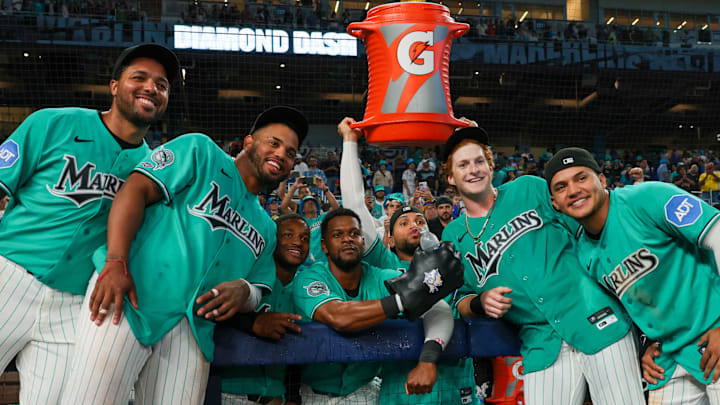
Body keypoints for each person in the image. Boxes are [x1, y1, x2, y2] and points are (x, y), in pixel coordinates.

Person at [61, 106, 308, 405]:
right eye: (274, 142)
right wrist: (115, 261)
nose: (282, 154)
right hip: (129, 298)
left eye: (291, 153)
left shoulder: (268, 228)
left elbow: (258, 291)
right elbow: (136, 188)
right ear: (248, 143)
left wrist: (243, 290)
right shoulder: (202, 152)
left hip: (193, 331)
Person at [0, 43, 179, 404]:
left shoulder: (154, 170)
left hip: (77, 304)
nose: (151, 88)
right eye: (139, 77)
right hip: (10, 277)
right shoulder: (53, 122)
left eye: (161, 85)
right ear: (114, 86)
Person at [443, 127, 645, 405]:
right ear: (451, 177)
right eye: (463, 164)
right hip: (541, 343)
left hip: (597, 320)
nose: (473, 170)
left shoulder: (528, 188)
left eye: (479, 161)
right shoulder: (453, 235)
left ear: (491, 166)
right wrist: (480, 302)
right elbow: (459, 298)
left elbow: (587, 232)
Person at [545, 147, 720, 405]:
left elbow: (717, 235)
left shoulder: (647, 197)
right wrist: (646, 344)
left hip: (713, 337)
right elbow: (634, 304)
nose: (573, 190)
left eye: (581, 178)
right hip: (670, 359)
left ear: (602, 180)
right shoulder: (584, 253)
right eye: (561, 187)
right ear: (554, 203)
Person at [338, 117, 480, 404]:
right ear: (388, 238)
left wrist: (469, 141)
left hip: (458, 386)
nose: (416, 225)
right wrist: (350, 142)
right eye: (403, 223)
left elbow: (479, 204)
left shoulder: (449, 259)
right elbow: (354, 203)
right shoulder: (382, 262)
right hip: (405, 390)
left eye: (419, 220)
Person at [292, 208, 463, 404]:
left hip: (364, 389)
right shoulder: (309, 278)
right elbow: (338, 316)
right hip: (313, 394)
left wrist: (428, 359)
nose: (348, 239)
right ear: (324, 245)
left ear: (363, 242)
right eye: (337, 234)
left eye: (354, 234)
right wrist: (403, 300)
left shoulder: (381, 277)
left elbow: (438, 307)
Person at [221, 213, 308, 405]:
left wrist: (293, 397)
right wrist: (252, 322)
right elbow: (214, 317)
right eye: (288, 235)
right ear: (272, 240)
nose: (298, 242)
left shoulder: (304, 289)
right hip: (230, 392)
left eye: (305, 238)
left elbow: (298, 351)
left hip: (276, 396)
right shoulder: (246, 276)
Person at [298, 178, 340, 262]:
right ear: (302, 209)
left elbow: (336, 207)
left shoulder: (323, 218)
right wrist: (294, 187)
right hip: (304, 263)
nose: (310, 203)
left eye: (313, 202)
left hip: (323, 262)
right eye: (307, 202)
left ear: (318, 207)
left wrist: (325, 188)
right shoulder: (299, 221)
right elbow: (284, 206)